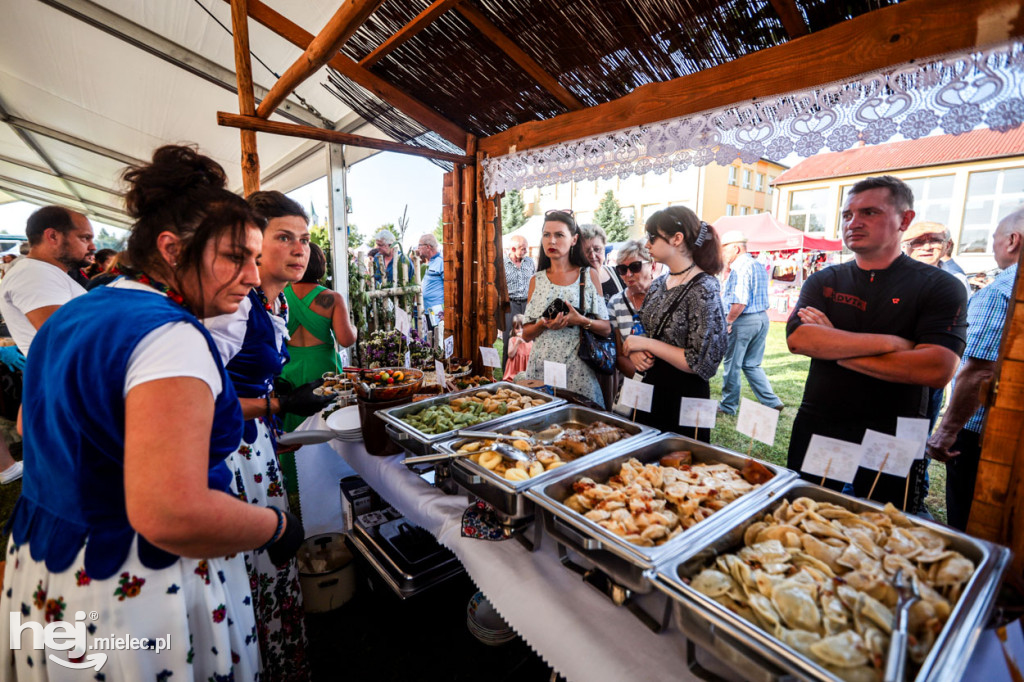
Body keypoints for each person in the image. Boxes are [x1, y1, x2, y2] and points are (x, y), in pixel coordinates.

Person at [1, 144, 303, 680]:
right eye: (237, 257)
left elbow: (29, 425)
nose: (253, 276)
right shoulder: (170, 336)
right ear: (171, 249)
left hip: (52, 570)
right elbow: (172, 513)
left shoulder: (78, 313)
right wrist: (276, 525)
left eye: (255, 259)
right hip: (136, 585)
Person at [786, 176, 967, 512]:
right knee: (806, 510)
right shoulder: (826, 279)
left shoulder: (940, 286)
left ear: (905, 219)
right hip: (824, 419)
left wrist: (835, 350)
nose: (854, 223)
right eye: (848, 215)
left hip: (895, 429)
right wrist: (894, 344)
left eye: (869, 212)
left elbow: (936, 368)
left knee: (881, 522)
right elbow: (800, 339)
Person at [205, 190, 328, 682]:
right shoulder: (235, 306)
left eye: (304, 239)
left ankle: (280, 657)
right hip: (229, 447)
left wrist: (277, 392)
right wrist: (279, 403)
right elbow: (200, 403)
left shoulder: (270, 301)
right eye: (285, 237)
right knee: (251, 557)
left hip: (255, 442)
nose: (300, 249)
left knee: (269, 556)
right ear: (253, 242)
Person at [927, 207, 1023, 530]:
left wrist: (946, 432)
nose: (994, 245)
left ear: (1012, 241)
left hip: (982, 434)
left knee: (970, 522)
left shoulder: (999, 292)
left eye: (994, 238)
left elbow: (979, 371)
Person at [622, 207, 727, 438]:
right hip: (650, 388)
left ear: (677, 239)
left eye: (652, 237)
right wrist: (636, 353)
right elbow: (647, 332)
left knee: (683, 466)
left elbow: (698, 362)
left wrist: (645, 345)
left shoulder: (704, 288)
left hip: (686, 396)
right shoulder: (659, 283)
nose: (647, 244)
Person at [519, 210, 611, 406]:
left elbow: (606, 328)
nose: (551, 241)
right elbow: (526, 334)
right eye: (546, 235)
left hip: (578, 371)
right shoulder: (537, 280)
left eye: (559, 235)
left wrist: (581, 321)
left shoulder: (588, 275)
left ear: (574, 239)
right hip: (541, 369)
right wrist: (544, 324)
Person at [281, 241, 357, 431]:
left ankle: (292, 460)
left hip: (289, 367)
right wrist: (354, 329)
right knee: (326, 421)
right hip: (323, 369)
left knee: (294, 423)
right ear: (320, 266)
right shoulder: (331, 298)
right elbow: (346, 339)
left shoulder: (279, 296)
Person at [0, 205, 93, 356]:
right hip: (65, 375)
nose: (92, 246)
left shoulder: (45, 271)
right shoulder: (34, 273)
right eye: (85, 238)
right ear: (53, 237)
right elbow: (64, 338)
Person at [718, 230, 784, 414]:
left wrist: (729, 321)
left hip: (743, 320)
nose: (722, 254)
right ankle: (772, 402)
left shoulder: (740, 267)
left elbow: (740, 300)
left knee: (732, 365)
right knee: (752, 364)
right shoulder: (756, 264)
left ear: (735, 248)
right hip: (761, 318)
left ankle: (728, 405)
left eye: (724, 250)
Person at [607, 239, 655, 379]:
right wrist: (641, 381)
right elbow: (618, 354)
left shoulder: (665, 296)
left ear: (651, 265)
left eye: (635, 267)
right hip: (633, 384)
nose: (628, 274)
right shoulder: (615, 303)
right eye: (622, 269)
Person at [903, 222, 971, 294]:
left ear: (947, 245)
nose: (927, 248)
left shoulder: (959, 280)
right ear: (905, 246)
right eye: (918, 242)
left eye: (935, 241)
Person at [501, 233, 535, 368]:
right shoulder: (503, 264)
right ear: (513, 249)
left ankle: (528, 371)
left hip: (527, 304)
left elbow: (534, 281)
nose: (526, 251)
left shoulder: (530, 262)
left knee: (529, 337)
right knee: (509, 338)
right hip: (511, 304)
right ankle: (506, 373)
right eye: (523, 248)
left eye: (526, 248)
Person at [580, 224, 624, 299]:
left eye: (597, 249)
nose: (592, 256)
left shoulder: (619, 273)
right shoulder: (574, 282)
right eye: (586, 251)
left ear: (604, 248)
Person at [417, 232, 444, 318]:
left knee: (436, 331)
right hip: (427, 310)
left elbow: (449, 287)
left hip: (438, 312)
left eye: (419, 245)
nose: (418, 248)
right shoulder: (427, 262)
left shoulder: (441, 262)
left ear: (428, 247)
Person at [502, 314, 532, 381]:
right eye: (517, 328)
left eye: (522, 328)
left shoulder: (530, 341)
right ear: (513, 329)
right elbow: (510, 355)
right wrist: (517, 343)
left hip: (525, 372)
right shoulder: (512, 340)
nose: (520, 330)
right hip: (514, 371)